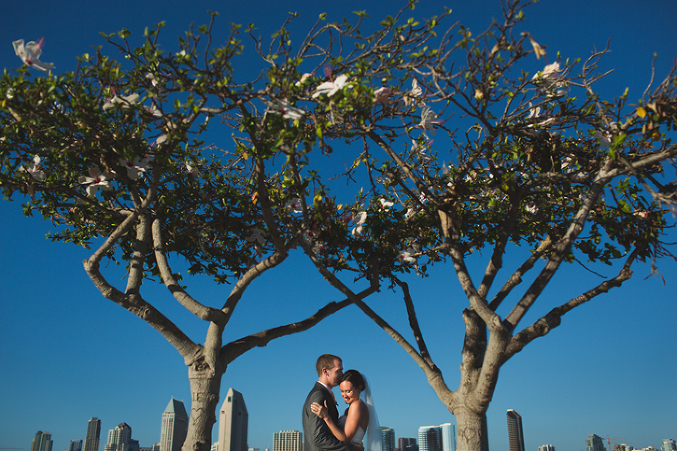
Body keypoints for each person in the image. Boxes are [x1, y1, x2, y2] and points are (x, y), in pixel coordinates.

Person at [310, 370, 382, 451]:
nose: (344, 396)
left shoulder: (357, 405)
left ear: (359, 388)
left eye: (348, 391)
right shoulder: (353, 408)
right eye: (342, 391)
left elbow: (345, 439)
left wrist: (326, 417)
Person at [302, 354, 355, 451]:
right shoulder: (318, 395)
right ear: (325, 371)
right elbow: (319, 439)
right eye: (338, 370)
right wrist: (350, 448)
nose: (342, 374)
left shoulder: (325, 394)